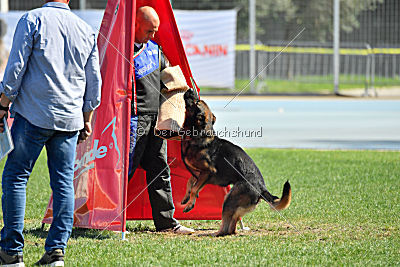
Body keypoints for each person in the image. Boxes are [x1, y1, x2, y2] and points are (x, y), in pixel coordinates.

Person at [0, 0, 102, 266]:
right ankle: (56, 251)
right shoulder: (85, 29)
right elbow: (94, 82)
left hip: (32, 114)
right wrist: (87, 117)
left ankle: (11, 252)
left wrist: (3, 103)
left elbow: (15, 68)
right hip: (69, 119)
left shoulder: (31, 19)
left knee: (16, 177)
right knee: (63, 183)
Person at [129, 6, 194, 234]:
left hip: (155, 123)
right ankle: (107, 219)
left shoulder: (155, 50)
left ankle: (167, 224)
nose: (152, 36)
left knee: (160, 170)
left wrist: (189, 95)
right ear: (135, 25)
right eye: (148, 31)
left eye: (155, 31)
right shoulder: (122, 51)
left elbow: (172, 78)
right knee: (124, 172)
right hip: (132, 122)